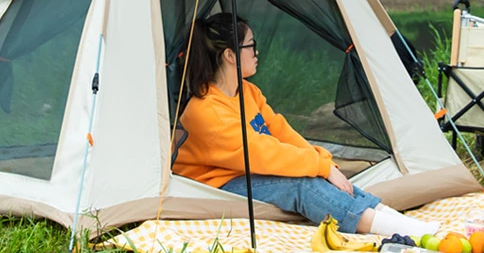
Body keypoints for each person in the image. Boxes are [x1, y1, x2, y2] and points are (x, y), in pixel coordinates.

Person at [172, 13, 439, 239]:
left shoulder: (246, 91)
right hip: (216, 185)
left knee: (315, 172)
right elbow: (264, 152)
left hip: (242, 172)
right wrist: (320, 166)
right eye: (251, 45)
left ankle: (391, 219)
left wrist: (323, 163)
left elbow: (279, 130)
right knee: (300, 185)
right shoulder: (207, 111)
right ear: (230, 55)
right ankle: (391, 229)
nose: (256, 52)